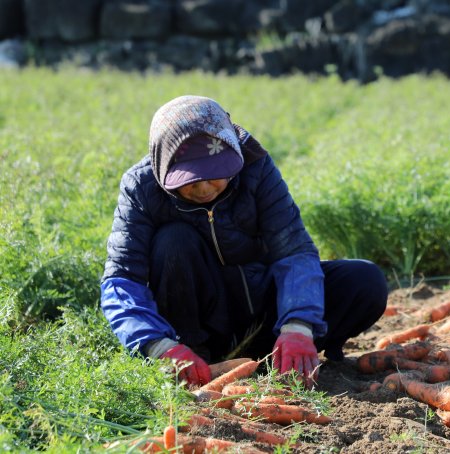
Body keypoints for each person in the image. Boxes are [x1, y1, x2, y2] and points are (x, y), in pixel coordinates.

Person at [100, 95, 388, 386]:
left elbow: (294, 251)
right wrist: (158, 345)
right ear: (164, 169)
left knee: (364, 280)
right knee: (173, 240)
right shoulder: (141, 186)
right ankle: (196, 363)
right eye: (189, 181)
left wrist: (298, 326)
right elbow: (121, 280)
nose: (203, 190)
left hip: (262, 305)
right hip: (196, 320)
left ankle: (284, 354)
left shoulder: (254, 166)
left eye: (213, 176)